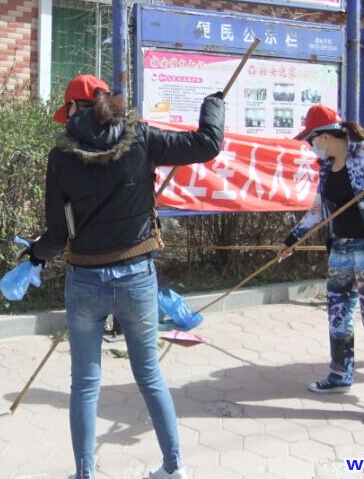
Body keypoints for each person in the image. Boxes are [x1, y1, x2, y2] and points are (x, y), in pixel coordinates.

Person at [26, 74, 224, 479]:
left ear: (74, 108)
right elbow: (208, 144)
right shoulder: (142, 137)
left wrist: (34, 255)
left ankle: (85, 474)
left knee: (85, 383)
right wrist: (213, 103)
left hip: (85, 280)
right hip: (136, 275)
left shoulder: (61, 156)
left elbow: (57, 235)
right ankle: (174, 467)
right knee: (149, 375)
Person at [277, 104, 364, 424]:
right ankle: (340, 373)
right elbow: (318, 210)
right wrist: (291, 240)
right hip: (340, 248)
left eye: (311, 140)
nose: (311, 146)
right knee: (338, 314)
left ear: (324, 136)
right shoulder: (326, 166)